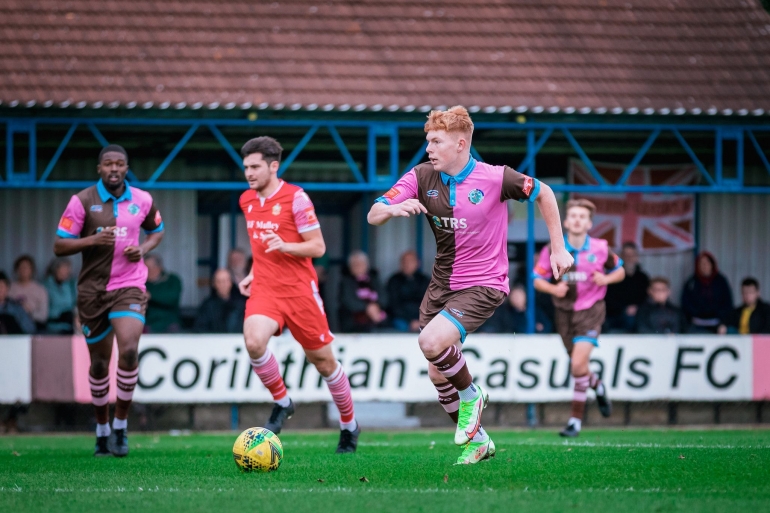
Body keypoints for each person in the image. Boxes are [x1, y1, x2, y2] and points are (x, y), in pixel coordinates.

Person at [368, 106, 572, 464]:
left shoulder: (496, 178)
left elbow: (545, 193)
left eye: (436, 141)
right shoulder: (420, 177)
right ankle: (478, 441)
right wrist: (390, 210)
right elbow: (373, 213)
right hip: (442, 285)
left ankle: (472, 394)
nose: (428, 148)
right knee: (436, 368)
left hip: (485, 283)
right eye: (427, 140)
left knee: (430, 342)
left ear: (461, 144)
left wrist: (559, 247)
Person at [237, 136, 359, 453]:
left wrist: (286, 246)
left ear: (273, 166)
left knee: (324, 363)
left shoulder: (296, 198)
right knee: (253, 341)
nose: (248, 173)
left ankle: (349, 425)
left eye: (255, 166)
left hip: (299, 292)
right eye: (246, 166)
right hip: (265, 288)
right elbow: (260, 247)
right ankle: (283, 401)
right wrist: (252, 273)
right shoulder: (246, 200)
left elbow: (318, 247)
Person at [53, 144, 164, 457]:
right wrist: (92, 240)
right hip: (92, 291)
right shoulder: (82, 201)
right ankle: (101, 429)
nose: (114, 169)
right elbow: (59, 246)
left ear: (126, 168)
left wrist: (143, 249)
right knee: (99, 364)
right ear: (99, 168)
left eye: (120, 164)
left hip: (129, 285)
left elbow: (157, 231)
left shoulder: (142, 199)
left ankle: (120, 425)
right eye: (108, 164)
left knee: (129, 349)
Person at [533, 199, 625, 438]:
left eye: (582, 216)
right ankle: (598, 385)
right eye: (573, 215)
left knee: (576, 365)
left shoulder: (601, 248)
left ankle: (575, 421)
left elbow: (620, 271)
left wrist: (606, 279)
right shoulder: (553, 248)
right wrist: (553, 289)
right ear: (565, 221)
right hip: (564, 314)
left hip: (591, 311)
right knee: (580, 366)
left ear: (589, 223)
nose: (576, 219)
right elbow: (537, 279)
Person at [681, 252, 733, 333]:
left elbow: (727, 303)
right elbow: (686, 305)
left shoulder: (721, 281)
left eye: (707, 263)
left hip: (717, 325)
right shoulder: (691, 282)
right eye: (701, 263)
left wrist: (723, 323)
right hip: (696, 325)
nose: (705, 266)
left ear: (712, 264)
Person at [604, 242, 650, 333]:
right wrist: (624, 309)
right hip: (615, 316)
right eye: (626, 255)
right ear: (621, 257)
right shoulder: (613, 275)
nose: (629, 258)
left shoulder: (643, 278)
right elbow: (608, 299)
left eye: (632, 255)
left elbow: (647, 299)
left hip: (639, 315)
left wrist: (637, 308)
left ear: (637, 257)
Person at [338, 251, 387, 333]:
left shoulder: (374, 279)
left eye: (360, 264)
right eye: (355, 264)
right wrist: (367, 308)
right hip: (354, 320)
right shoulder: (346, 281)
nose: (358, 267)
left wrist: (376, 306)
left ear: (366, 265)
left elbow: (384, 297)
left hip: (376, 317)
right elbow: (348, 300)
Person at [480, 283, 552, 334]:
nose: (516, 298)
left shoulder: (534, 311)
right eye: (514, 296)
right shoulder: (507, 312)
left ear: (525, 296)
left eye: (519, 295)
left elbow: (547, 326)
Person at [387, 250, 430, 333]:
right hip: (401, 319)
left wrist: (419, 320)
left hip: (422, 319)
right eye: (404, 261)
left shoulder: (425, 280)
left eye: (410, 261)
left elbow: (430, 304)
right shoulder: (393, 281)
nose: (407, 264)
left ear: (418, 263)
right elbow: (393, 304)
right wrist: (410, 321)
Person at [193, 268, 246, 333]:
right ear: (214, 284)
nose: (223, 285)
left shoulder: (241, 304)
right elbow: (200, 329)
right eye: (219, 281)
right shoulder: (207, 306)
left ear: (231, 282)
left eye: (225, 281)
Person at [9, 255, 49, 331]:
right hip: (12, 326)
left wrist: (29, 312)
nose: (23, 270)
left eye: (26, 268)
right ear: (16, 270)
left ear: (32, 270)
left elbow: (43, 316)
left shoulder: (40, 289)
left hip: (35, 326)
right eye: (21, 267)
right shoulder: (9, 288)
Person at [144, 254, 182, 333]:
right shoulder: (142, 282)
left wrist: (150, 295)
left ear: (159, 267)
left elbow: (172, 298)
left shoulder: (172, 280)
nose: (146, 271)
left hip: (169, 324)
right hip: (149, 324)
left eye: (149, 268)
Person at [43, 257, 78, 334]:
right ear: (55, 269)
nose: (66, 271)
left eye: (68, 268)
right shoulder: (46, 285)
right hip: (51, 327)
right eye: (63, 268)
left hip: (70, 326)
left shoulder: (72, 285)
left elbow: (77, 304)